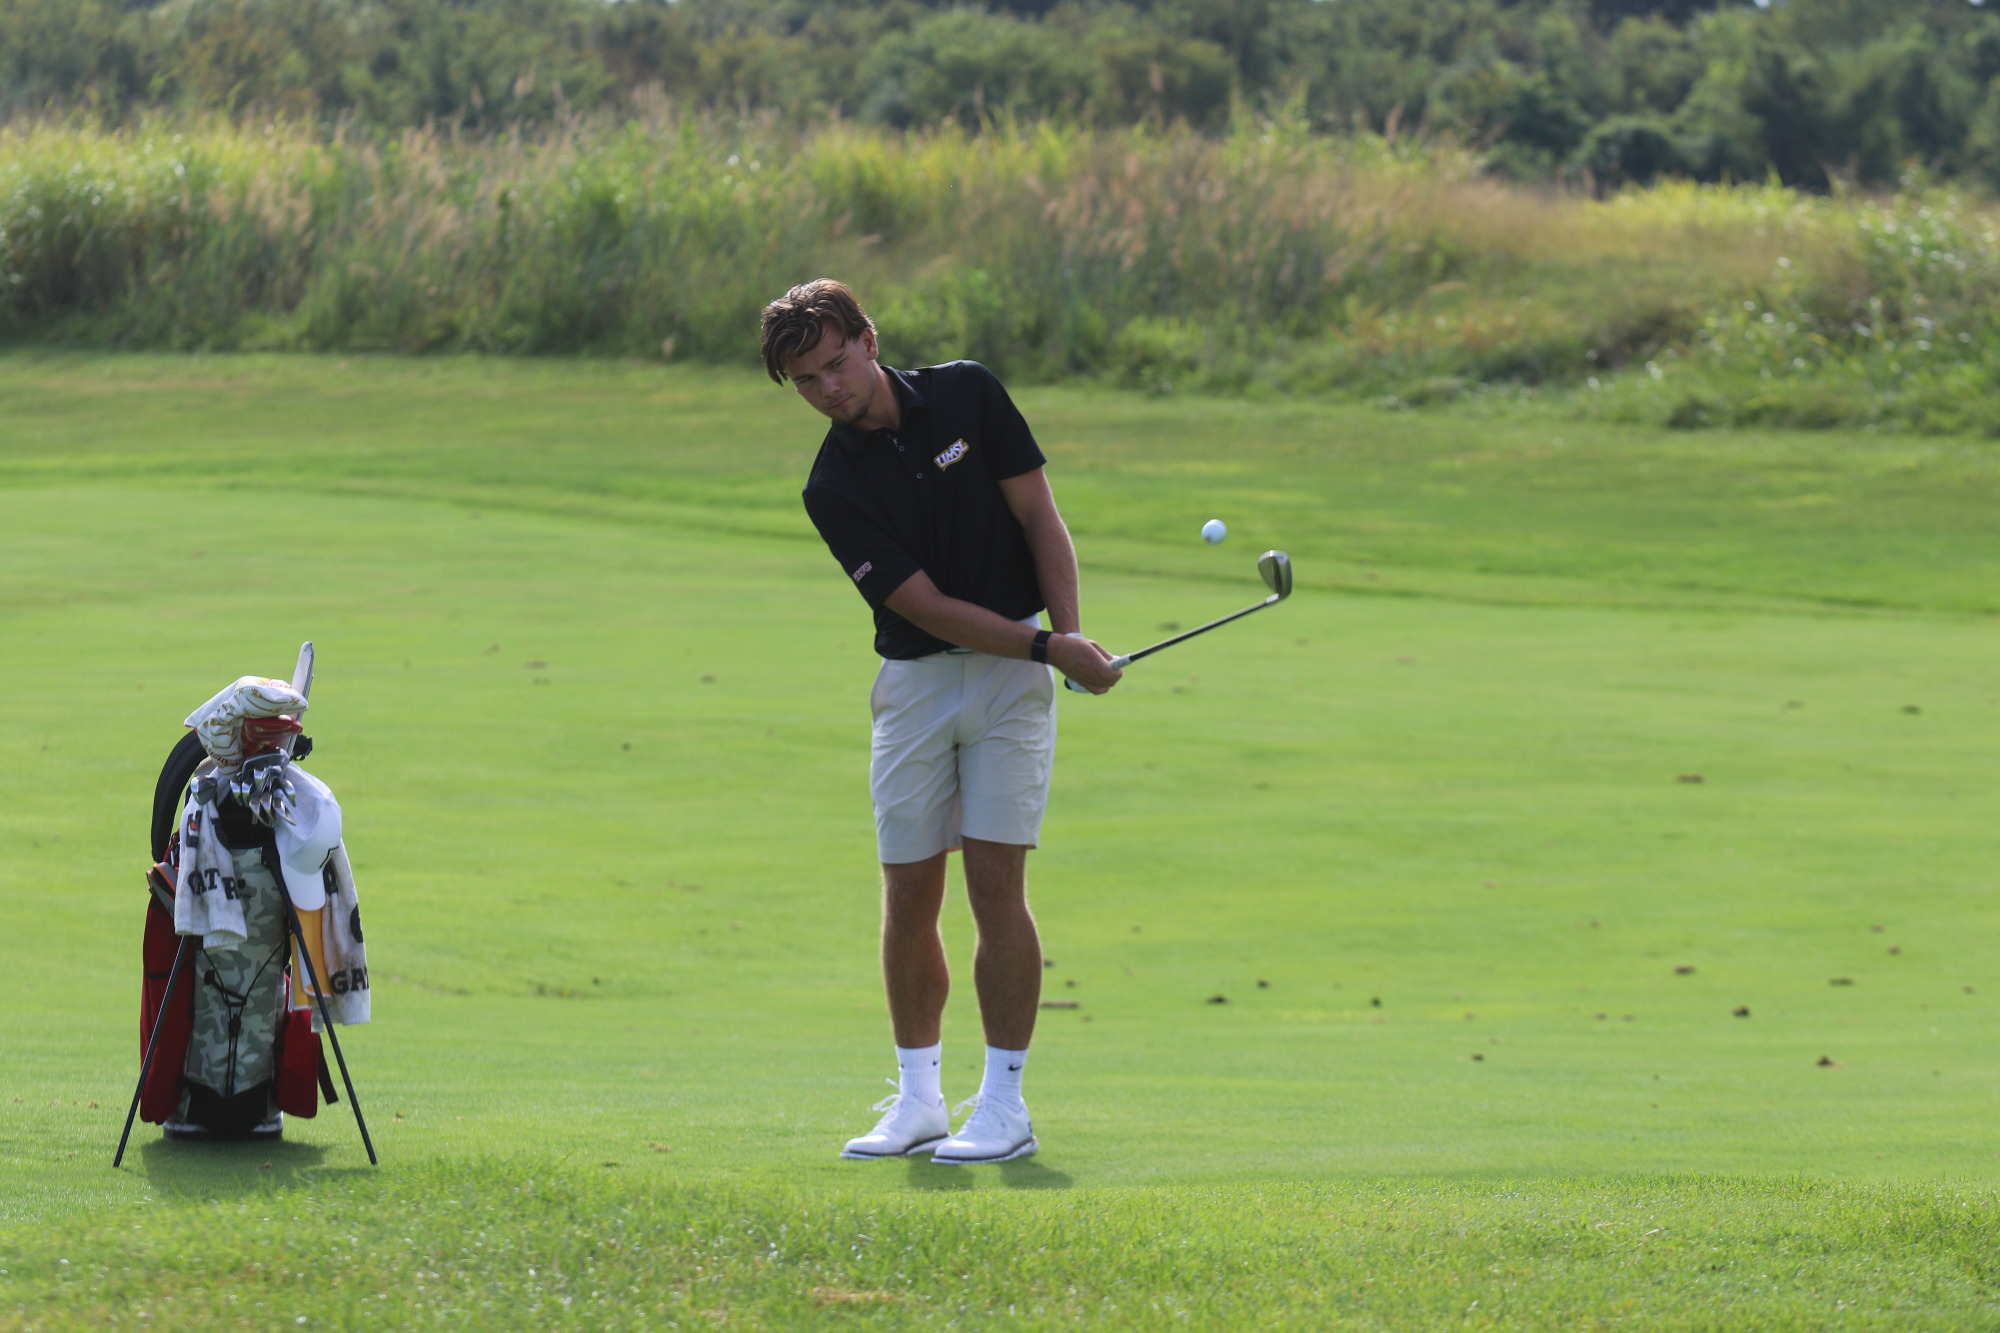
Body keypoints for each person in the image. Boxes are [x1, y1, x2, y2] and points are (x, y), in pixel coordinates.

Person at [762, 279, 1121, 1164]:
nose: (830, 389)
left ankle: (1003, 1106)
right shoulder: (831, 484)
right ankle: (920, 1100)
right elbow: (922, 607)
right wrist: (1048, 649)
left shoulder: (968, 392)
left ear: (869, 340)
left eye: (836, 363)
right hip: (918, 684)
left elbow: (1040, 513)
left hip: (1012, 685)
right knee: (908, 892)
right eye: (807, 380)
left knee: (996, 888)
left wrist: (1067, 635)